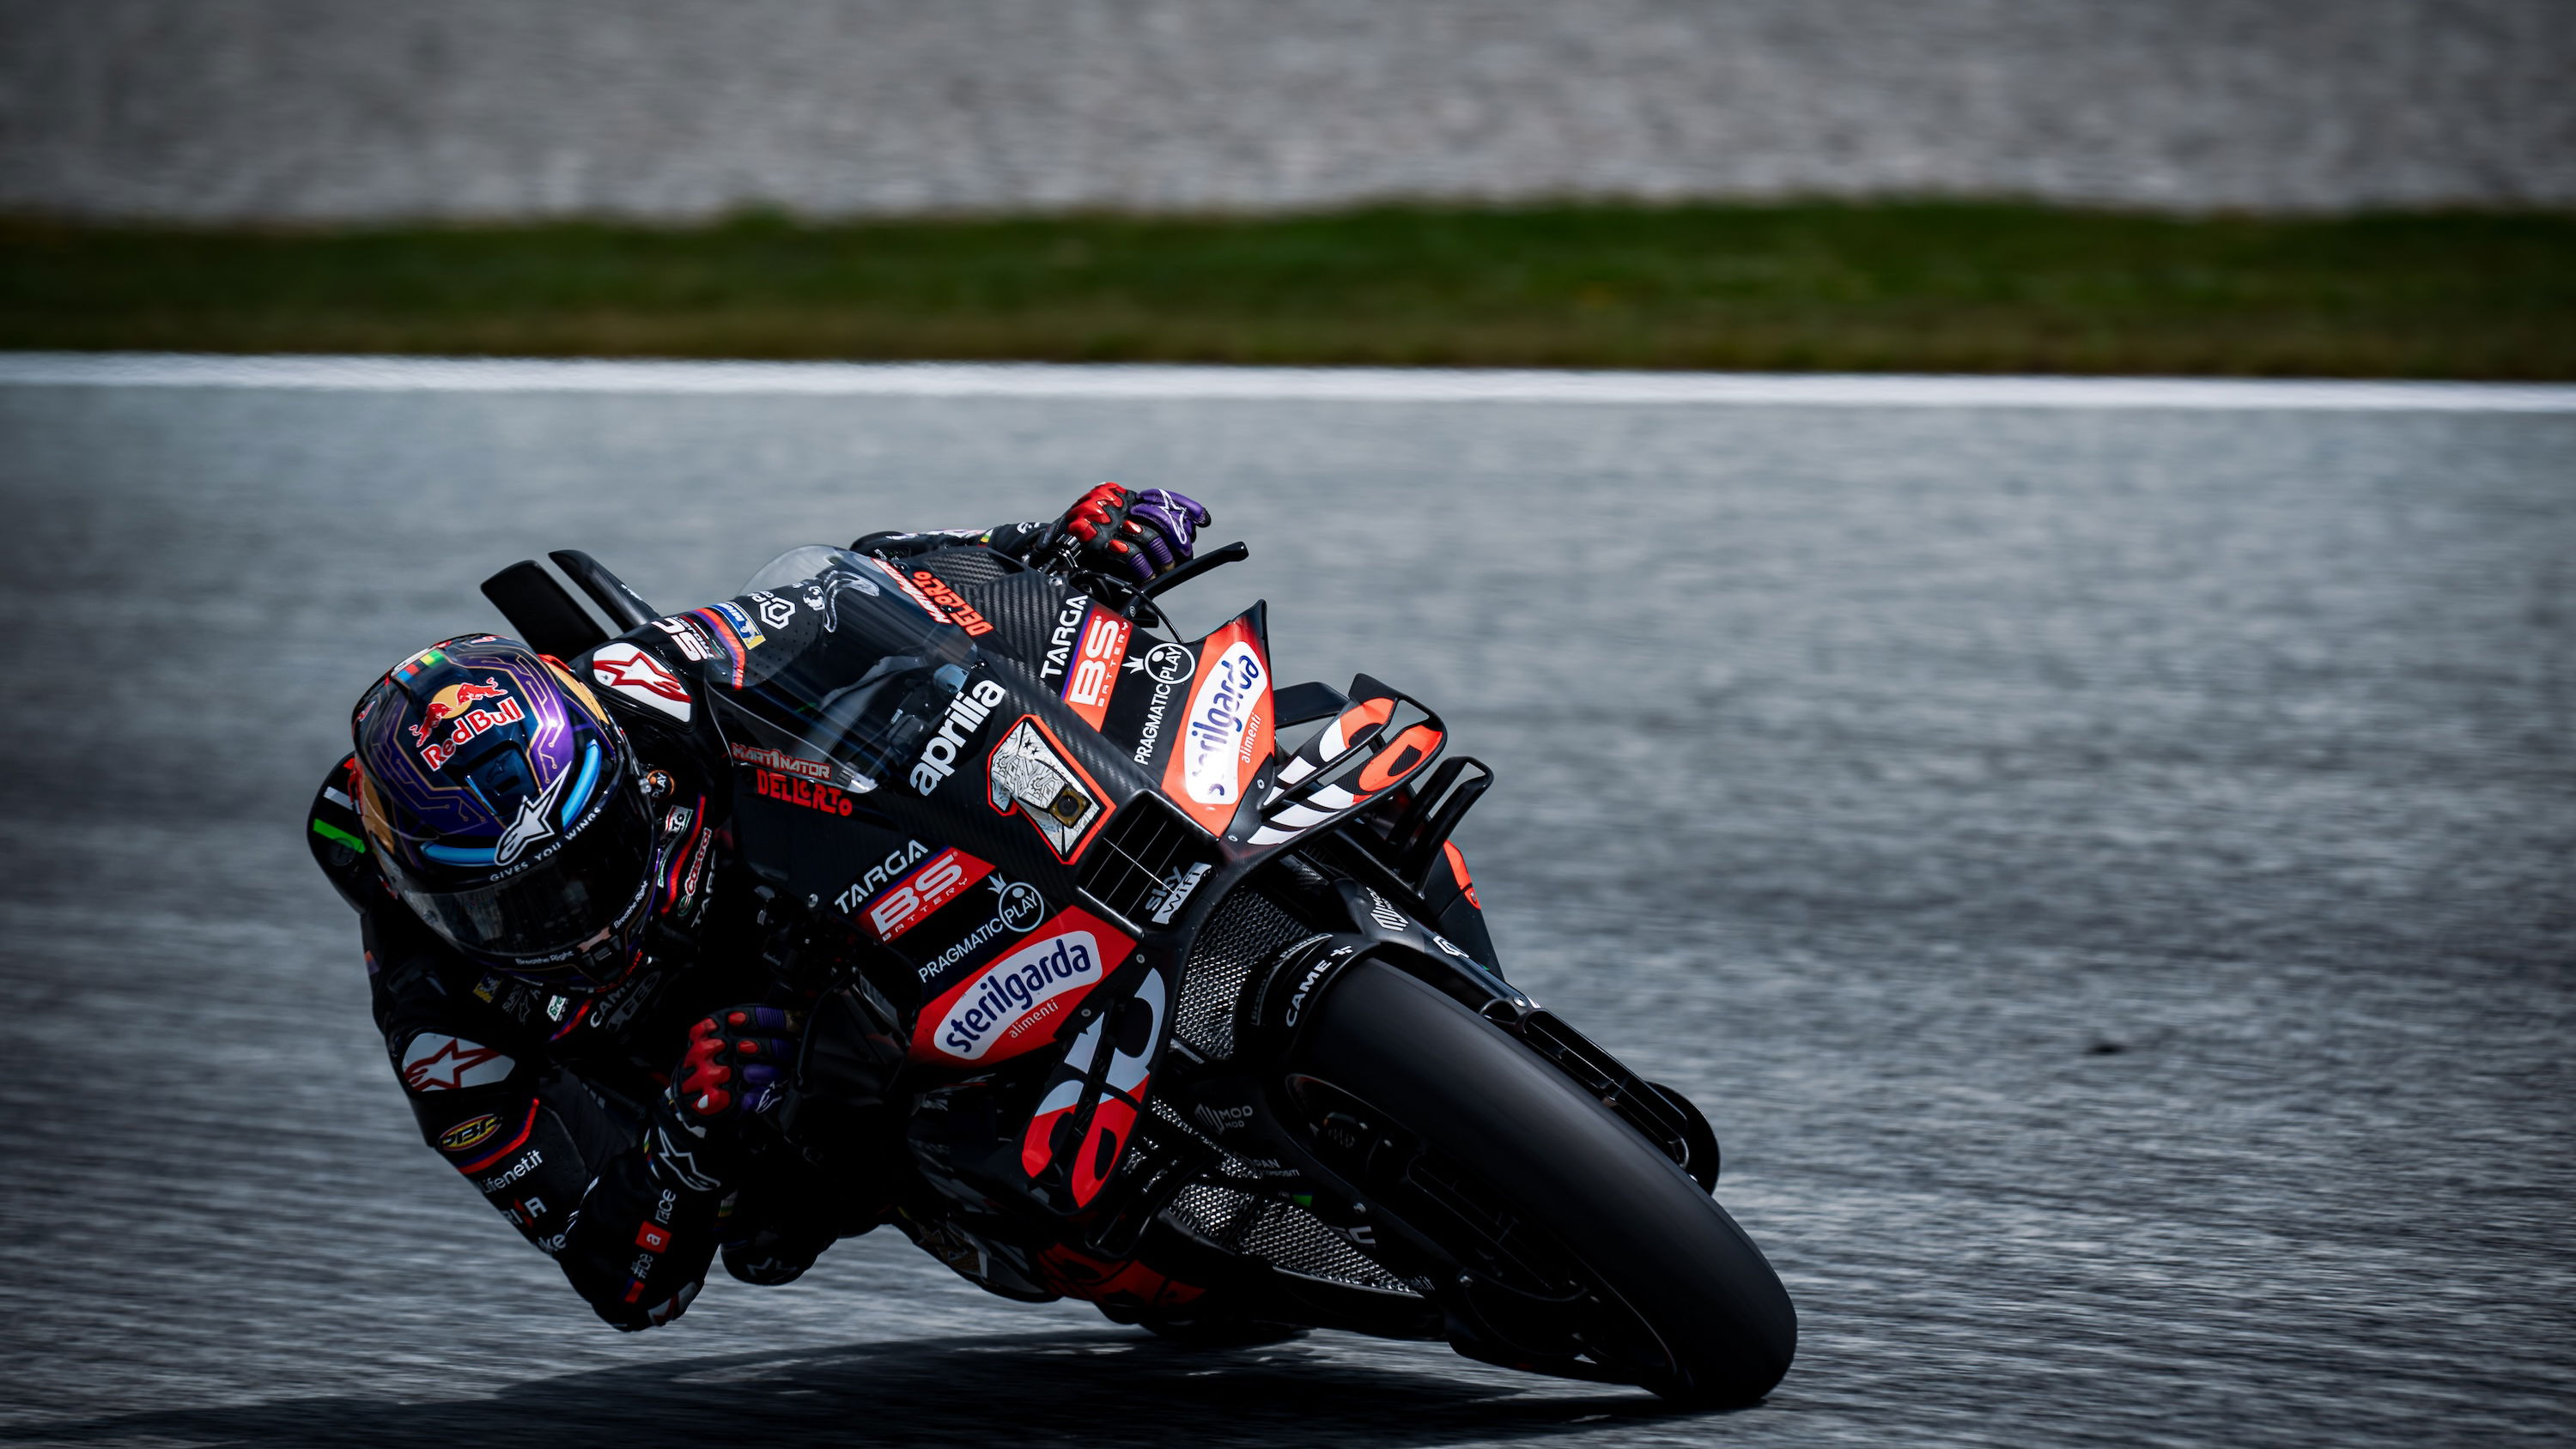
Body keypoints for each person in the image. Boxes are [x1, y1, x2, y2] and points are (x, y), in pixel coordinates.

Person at [306, 485, 1212, 1330]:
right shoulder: (439, 1023)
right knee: (1066, 1252)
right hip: (780, 1101)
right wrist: (681, 1146)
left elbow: (865, 590)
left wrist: (1046, 545)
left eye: (594, 858)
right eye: (521, 907)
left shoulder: (636, 683)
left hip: (849, 895)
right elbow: (624, 1285)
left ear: (613, 762)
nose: (580, 918)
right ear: (423, 899)